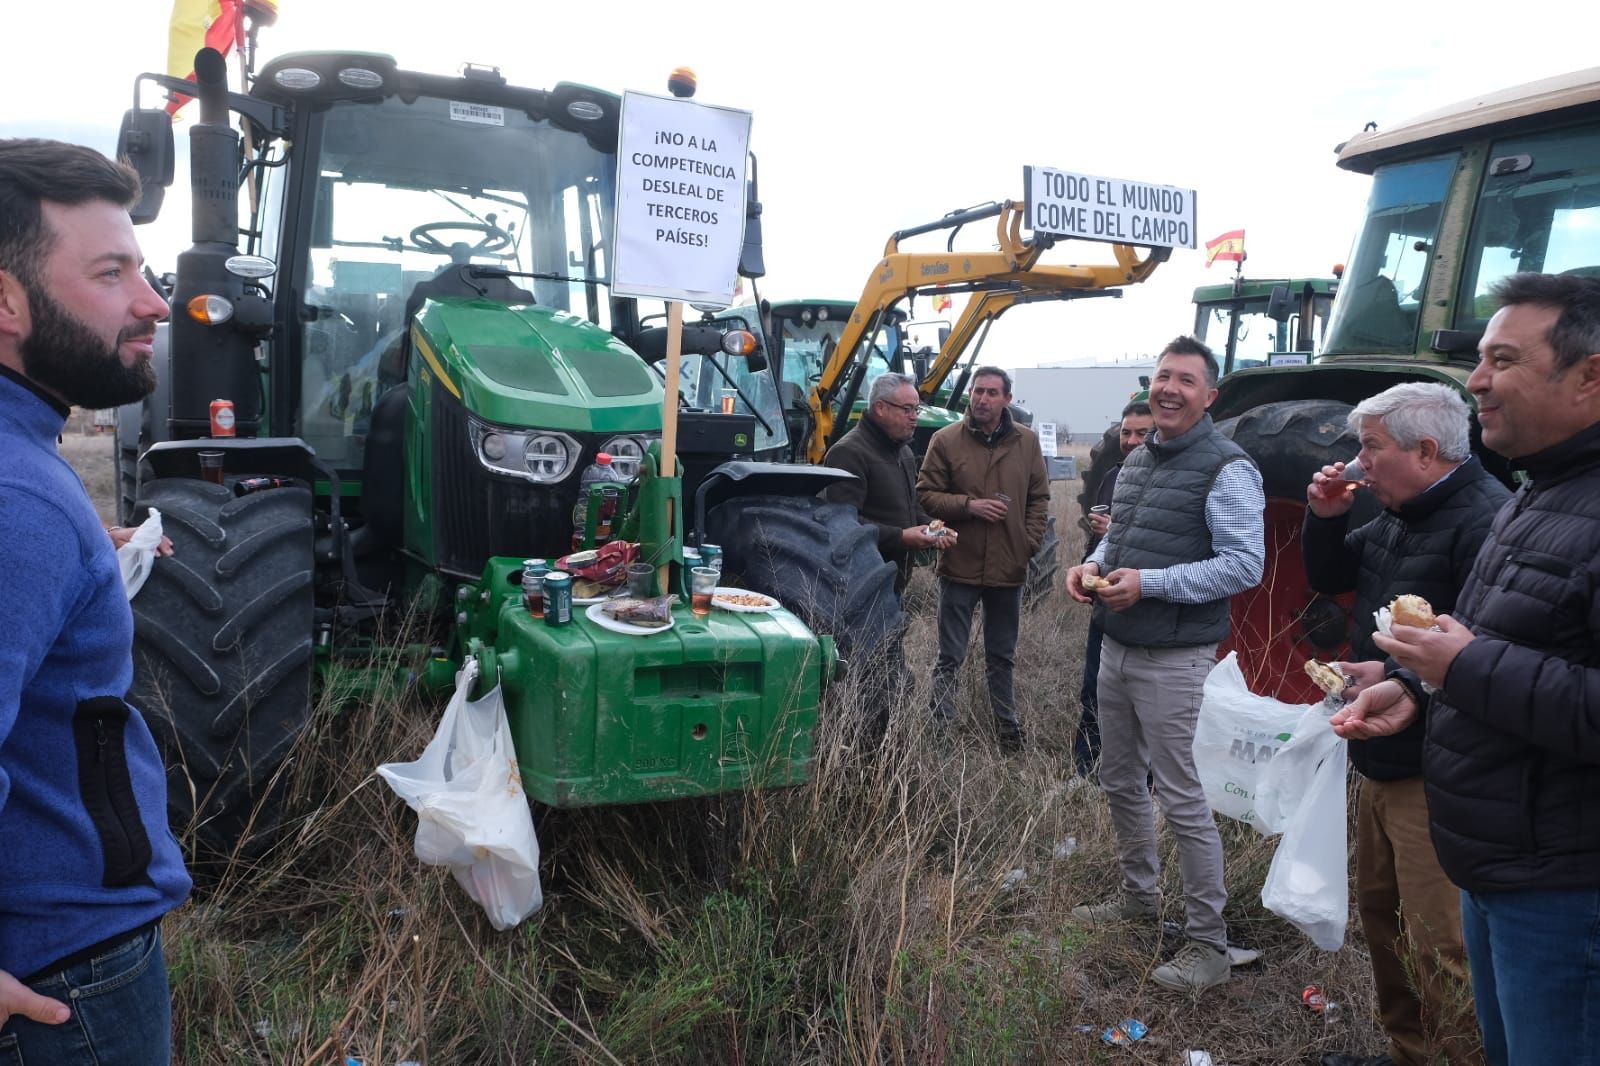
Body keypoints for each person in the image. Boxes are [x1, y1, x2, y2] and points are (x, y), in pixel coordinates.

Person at [1334, 273, 1600, 1066]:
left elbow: (1485, 655)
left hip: (1566, 892)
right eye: (1478, 358)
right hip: (1502, 868)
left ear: (1589, 376)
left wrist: (1464, 666)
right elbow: (1500, 640)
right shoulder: (1539, 496)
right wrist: (1415, 686)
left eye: (1503, 361)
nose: (1475, 382)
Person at [0, 138, 191, 1064]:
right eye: (111, 272)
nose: (153, 302)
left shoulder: (25, 479)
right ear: (6, 299)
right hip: (63, 971)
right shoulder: (19, 498)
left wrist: (77, 561)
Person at [1304, 382, 1506, 1066]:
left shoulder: (1485, 522)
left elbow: (1489, 650)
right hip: (1382, 750)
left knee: (1438, 942)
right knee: (1383, 919)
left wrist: (1400, 685)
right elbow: (1333, 575)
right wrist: (1326, 516)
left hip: (1439, 769)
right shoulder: (1401, 511)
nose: (1358, 464)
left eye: (1370, 448)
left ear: (1425, 451)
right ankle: (1408, 1051)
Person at [1064, 336, 1264, 993]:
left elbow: (1244, 565)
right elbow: (1121, 533)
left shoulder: (1228, 467)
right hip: (1118, 644)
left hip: (1175, 656)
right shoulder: (1140, 459)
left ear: (1210, 396)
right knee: (1121, 780)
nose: (1169, 388)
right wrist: (1091, 566)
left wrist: (1149, 584)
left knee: (1181, 795)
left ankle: (1207, 944)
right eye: (1161, 376)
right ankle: (1137, 898)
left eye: (1185, 379)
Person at [916, 366, 1049, 752]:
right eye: (978, 391)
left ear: (1007, 399)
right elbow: (926, 493)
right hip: (960, 562)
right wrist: (969, 506)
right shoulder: (945, 440)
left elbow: (1038, 498)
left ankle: (1007, 730)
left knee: (1001, 656)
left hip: (1010, 565)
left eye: (992, 392)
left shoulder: (1027, 443)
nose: (983, 399)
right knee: (949, 655)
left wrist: (1029, 542)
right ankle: (940, 731)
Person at [822, 372, 955, 742]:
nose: (915, 416)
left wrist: (931, 527)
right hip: (860, 589)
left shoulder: (901, 451)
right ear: (880, 408)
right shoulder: (849, 452)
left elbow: (910, 508)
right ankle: (860, 742)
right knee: (870, 670)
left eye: (917, 408)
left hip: (891, 580)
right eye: (908, 409)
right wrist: (902, 537)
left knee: (888, 667)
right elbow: (842, 524)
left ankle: (884, 737)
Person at [1074, 401, 1153, 780]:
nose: (1131, 440)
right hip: (1104, 602)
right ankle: (1085, 772)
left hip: (1144, 603)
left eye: (1142, 433)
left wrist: (1117, 534)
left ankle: (1145, 782)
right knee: (1093, 690)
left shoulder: (1164, 481)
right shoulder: (1112, 476)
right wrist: (1090, 563)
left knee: (1144, 703)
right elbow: (1100, 533)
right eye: (1126, 432)